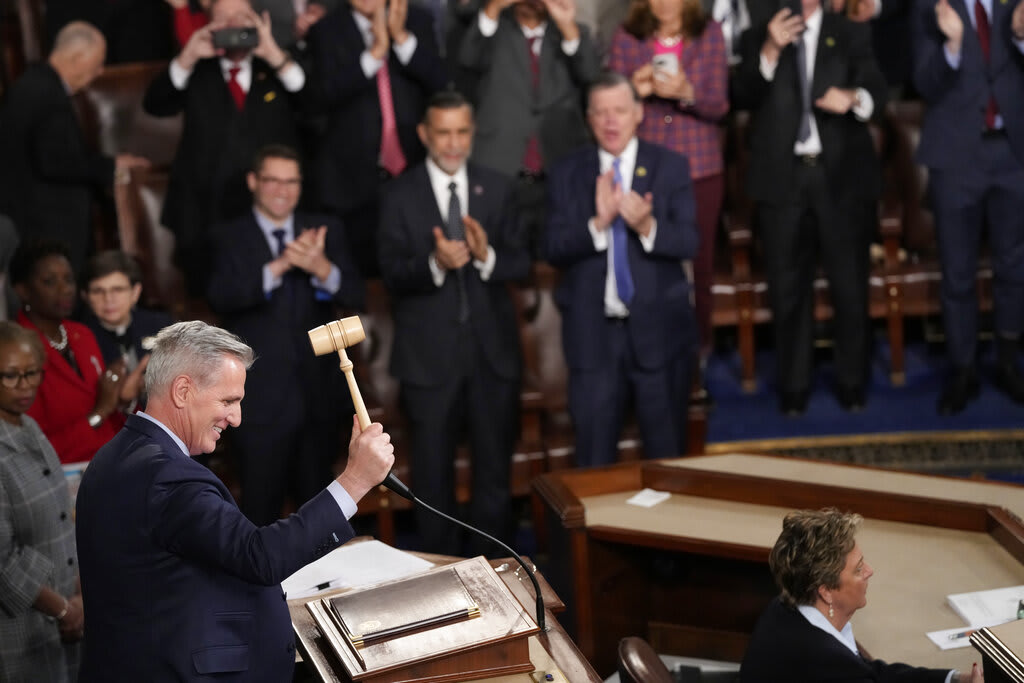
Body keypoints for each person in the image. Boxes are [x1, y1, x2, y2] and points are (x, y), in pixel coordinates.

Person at [75, 321, 395, 681]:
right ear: (182, 391)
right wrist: (356, 480)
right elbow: (260, 556)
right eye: (228, 401)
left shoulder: (115, 455)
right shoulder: (166, 475)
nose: (237, 418)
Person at [378, 90, 529, 556]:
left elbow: (523, 262)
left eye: (462, 131)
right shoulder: (398, 194)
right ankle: (438, 577)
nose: (453, 143)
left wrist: (487, 257)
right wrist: (435, 264)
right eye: (443, 132)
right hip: (428, 361)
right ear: (424, 134)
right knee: (432, 480)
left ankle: (500, 578)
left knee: (493, 476)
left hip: (492, 356)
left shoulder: (499, 187)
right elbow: (390, 272)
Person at [731, 0, 887, 415]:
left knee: (849, 284)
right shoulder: (758, 34)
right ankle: (794, 385)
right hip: (782, 179)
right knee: (786, 288)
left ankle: (852, 381)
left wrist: (854, 97)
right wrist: (768, 51)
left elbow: (878, 91)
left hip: (841, 179)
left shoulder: (850, 31)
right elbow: (740, 95)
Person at [544, 72, 698, 467]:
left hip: (659, 336)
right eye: (601, 113)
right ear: (589, 119)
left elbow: (689, 242)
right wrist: (598, 224)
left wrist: (647, 226)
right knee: (594, 463)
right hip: (593, 339)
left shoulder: (670, 166)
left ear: (639, 113)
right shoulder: (566, 172)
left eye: (619, 111)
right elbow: (551, 248)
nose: (611, 121)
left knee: (667, 461)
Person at [207, 144, 364, 525]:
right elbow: (220, 296)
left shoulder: (324, 229)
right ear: (253, 182)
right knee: (260, 511)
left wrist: (320, 266)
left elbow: (356, 294)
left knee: (325, 517)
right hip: (258, 402)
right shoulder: (228, 235)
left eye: (292, 181)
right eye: (273, 180)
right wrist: (280, 266)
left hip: (318, 398)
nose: (283, 190)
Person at [143, 0, 310, 295]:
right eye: (223, 18)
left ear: (259, 22)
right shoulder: (196, 68)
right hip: (201, 217)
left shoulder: (277, 65)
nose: (233, 24)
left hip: (270, 214)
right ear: (207, 25)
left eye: (241, 17)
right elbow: (155, 104)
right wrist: (188, 56)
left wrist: (273, 54)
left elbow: (314, 103)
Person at [607, 0, 728, 390]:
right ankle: (649, 357)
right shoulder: (627, 38)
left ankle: (699, 353)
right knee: (646, 263)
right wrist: (634, 92)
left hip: (700, 167)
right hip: (647, 167)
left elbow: (719, 104)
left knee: (700, 263)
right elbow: (609, 109)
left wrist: (686, 91)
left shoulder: (709, 33)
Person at [911, 0, 1024, 415]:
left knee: (1014, 267)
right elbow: (923, 80)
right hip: (956, 160)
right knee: (957, 272)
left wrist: (1021, 37)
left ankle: (1009, 362)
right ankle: (963, 370)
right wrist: (953, 45)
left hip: (1014, 155)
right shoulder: (931, 8)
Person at [741, 508, 982, 682]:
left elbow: (871, 672)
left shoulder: (784, 608)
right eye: (858, 569)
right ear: (825, 590)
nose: (870, 572)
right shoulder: (827, 661)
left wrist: (954, 679)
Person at [307, 0, 448, 276]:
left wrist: (402, 40)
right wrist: (374, 56)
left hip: (414, 172)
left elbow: (442, 84)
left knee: (419, 268)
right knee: (362, 277)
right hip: (352, 183)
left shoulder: (417, 20)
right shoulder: (326, 30)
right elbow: (317, 99)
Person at [0, 21, 149, 275]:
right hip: (46, 229)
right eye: (98, 61)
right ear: (78, 57)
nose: (100, 71)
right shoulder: (46, 94)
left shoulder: (35, 84)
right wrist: (112, 166)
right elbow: (56, 161)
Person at [459, 0, 600, 256]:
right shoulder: (491, 30)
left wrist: (567, 26)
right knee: (499, 265)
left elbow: (593, 78)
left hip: (558, 172)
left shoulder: (572, 32)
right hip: (500, 171)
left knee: (561, 264)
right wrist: (493, 7)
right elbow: (468, 59)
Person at [0, 322, 85, 683]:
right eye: (11, 376)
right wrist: (64, 609)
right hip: (21, 626)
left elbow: (60, 518)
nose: (26, 385)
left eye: (33, 373)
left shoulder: (30, 427)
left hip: (65, 614)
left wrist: (80, 594)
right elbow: (3, 560)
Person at [11, 241, 142, 465]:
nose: (65, 289)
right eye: (50, 282)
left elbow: (111, 411)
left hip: (112, 459)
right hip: (61, 474)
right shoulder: (15, 350)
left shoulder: (81, 333)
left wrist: (124, 401)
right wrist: (100, 412)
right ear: (23, 290)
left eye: (69, 279)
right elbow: (33, 450)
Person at [78, 250, 174, 372]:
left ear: (135, 292)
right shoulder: (79, 339)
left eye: (117, 289)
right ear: (85, 296)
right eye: (98, 291)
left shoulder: (161, 325)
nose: (108, 299)